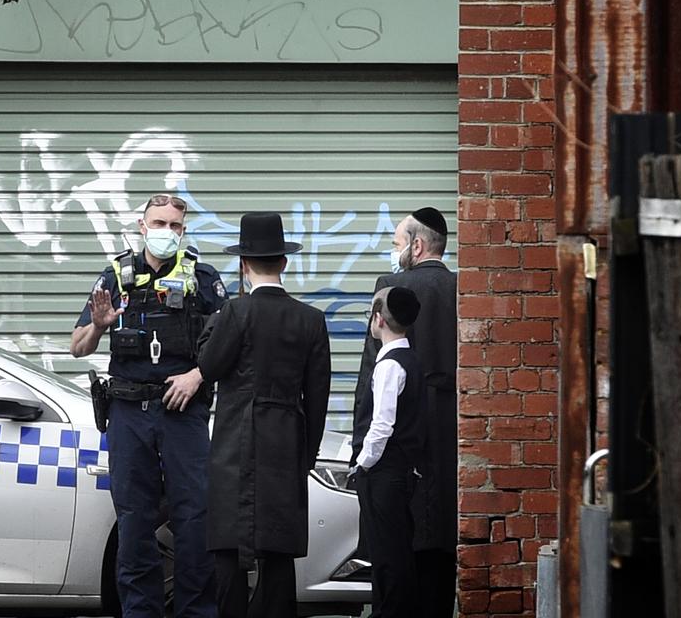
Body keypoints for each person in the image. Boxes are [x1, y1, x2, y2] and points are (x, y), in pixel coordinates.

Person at [70, 193, 228, 618]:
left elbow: (229, 347)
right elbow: (77, 347)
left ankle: (196, 612)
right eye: (158, 224)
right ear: (142, 227)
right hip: (128, 413)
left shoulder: (204, 279)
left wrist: (198, 376)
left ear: (184, 230)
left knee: (194, 518)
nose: (167, 233)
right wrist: (100, 326)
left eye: (175, 226)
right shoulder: (116, 277)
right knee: (135, 519)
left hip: (183, 414)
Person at [196, 212, 332, 618]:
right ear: (284, 263)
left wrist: (213, 324)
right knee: (279, 554)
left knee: (227, 549)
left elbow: (209, 364)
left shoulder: (236, 314)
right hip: (286, 445)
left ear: (243, 264)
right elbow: (319, 397)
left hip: (236, 444)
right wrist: (306, 454)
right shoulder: (311, 320)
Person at [352, 206, 458, 618]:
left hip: (397, 444)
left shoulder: (390, 288)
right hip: (448, 435)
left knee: (393, 557)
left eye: (397, 244)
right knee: (440, 553)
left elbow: (369, 376)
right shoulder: (459, 289)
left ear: (416, 245)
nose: (394, 252)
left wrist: (363, 449)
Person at [351, 286, 424, 618]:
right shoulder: (411, 359)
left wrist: (363, 463)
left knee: (386, 557)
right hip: (402, 471)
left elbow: (381, 425)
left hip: (383, 474)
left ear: (378, 319)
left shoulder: (388, 366)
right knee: (395, 553)